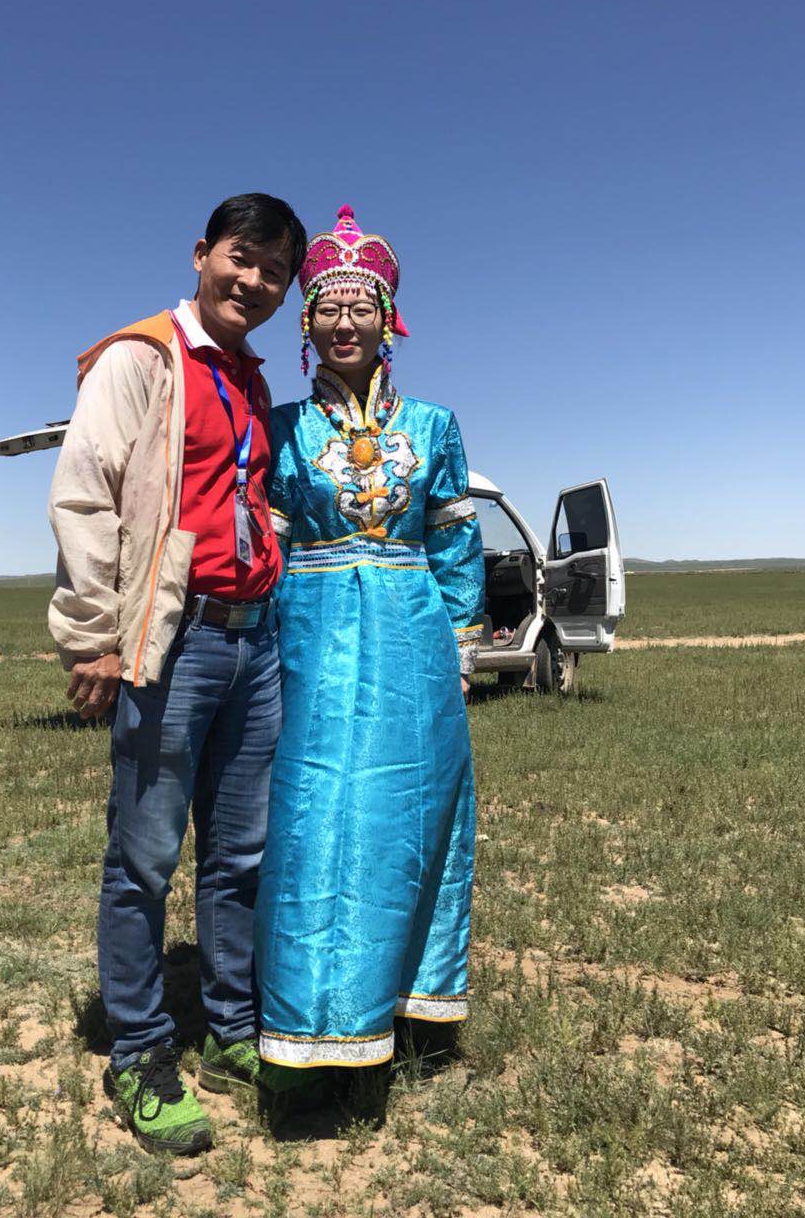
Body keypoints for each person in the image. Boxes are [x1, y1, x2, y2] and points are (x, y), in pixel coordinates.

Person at [47, 193, 307, 1156]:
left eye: (276, 270)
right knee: (145, 856)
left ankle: (233, 1030)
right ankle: (140, 1051)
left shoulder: (248, 378)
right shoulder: (142, 358)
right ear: (202, 254)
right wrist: (93, 636)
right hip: (175, 639)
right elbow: (86, 497)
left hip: (254, 642)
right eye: (243, 257)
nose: (256, 281)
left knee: (241, 853)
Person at [255, 205, 485, 1079]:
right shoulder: (282, 428)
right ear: (306, 324)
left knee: (413, 814)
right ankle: (309, 1025)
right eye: (328, 309)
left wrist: (461, 650)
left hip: (413, 642)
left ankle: (415, 1014)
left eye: (361, 308)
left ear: (389, 319)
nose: (344, 323)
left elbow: (456, 544)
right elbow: (270, 550)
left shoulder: (433, 425)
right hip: (310, 639)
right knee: (314, 817)